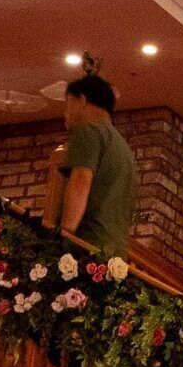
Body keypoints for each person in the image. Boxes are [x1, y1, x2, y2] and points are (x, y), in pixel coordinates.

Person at [52, 72, 139, 260]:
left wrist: (63, 237)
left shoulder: (89, 130)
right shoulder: (125, 150)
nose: (64, 114)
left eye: (67, 104)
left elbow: (80, 181)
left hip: (85, 246)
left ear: (81, 100)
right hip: (114, 254)